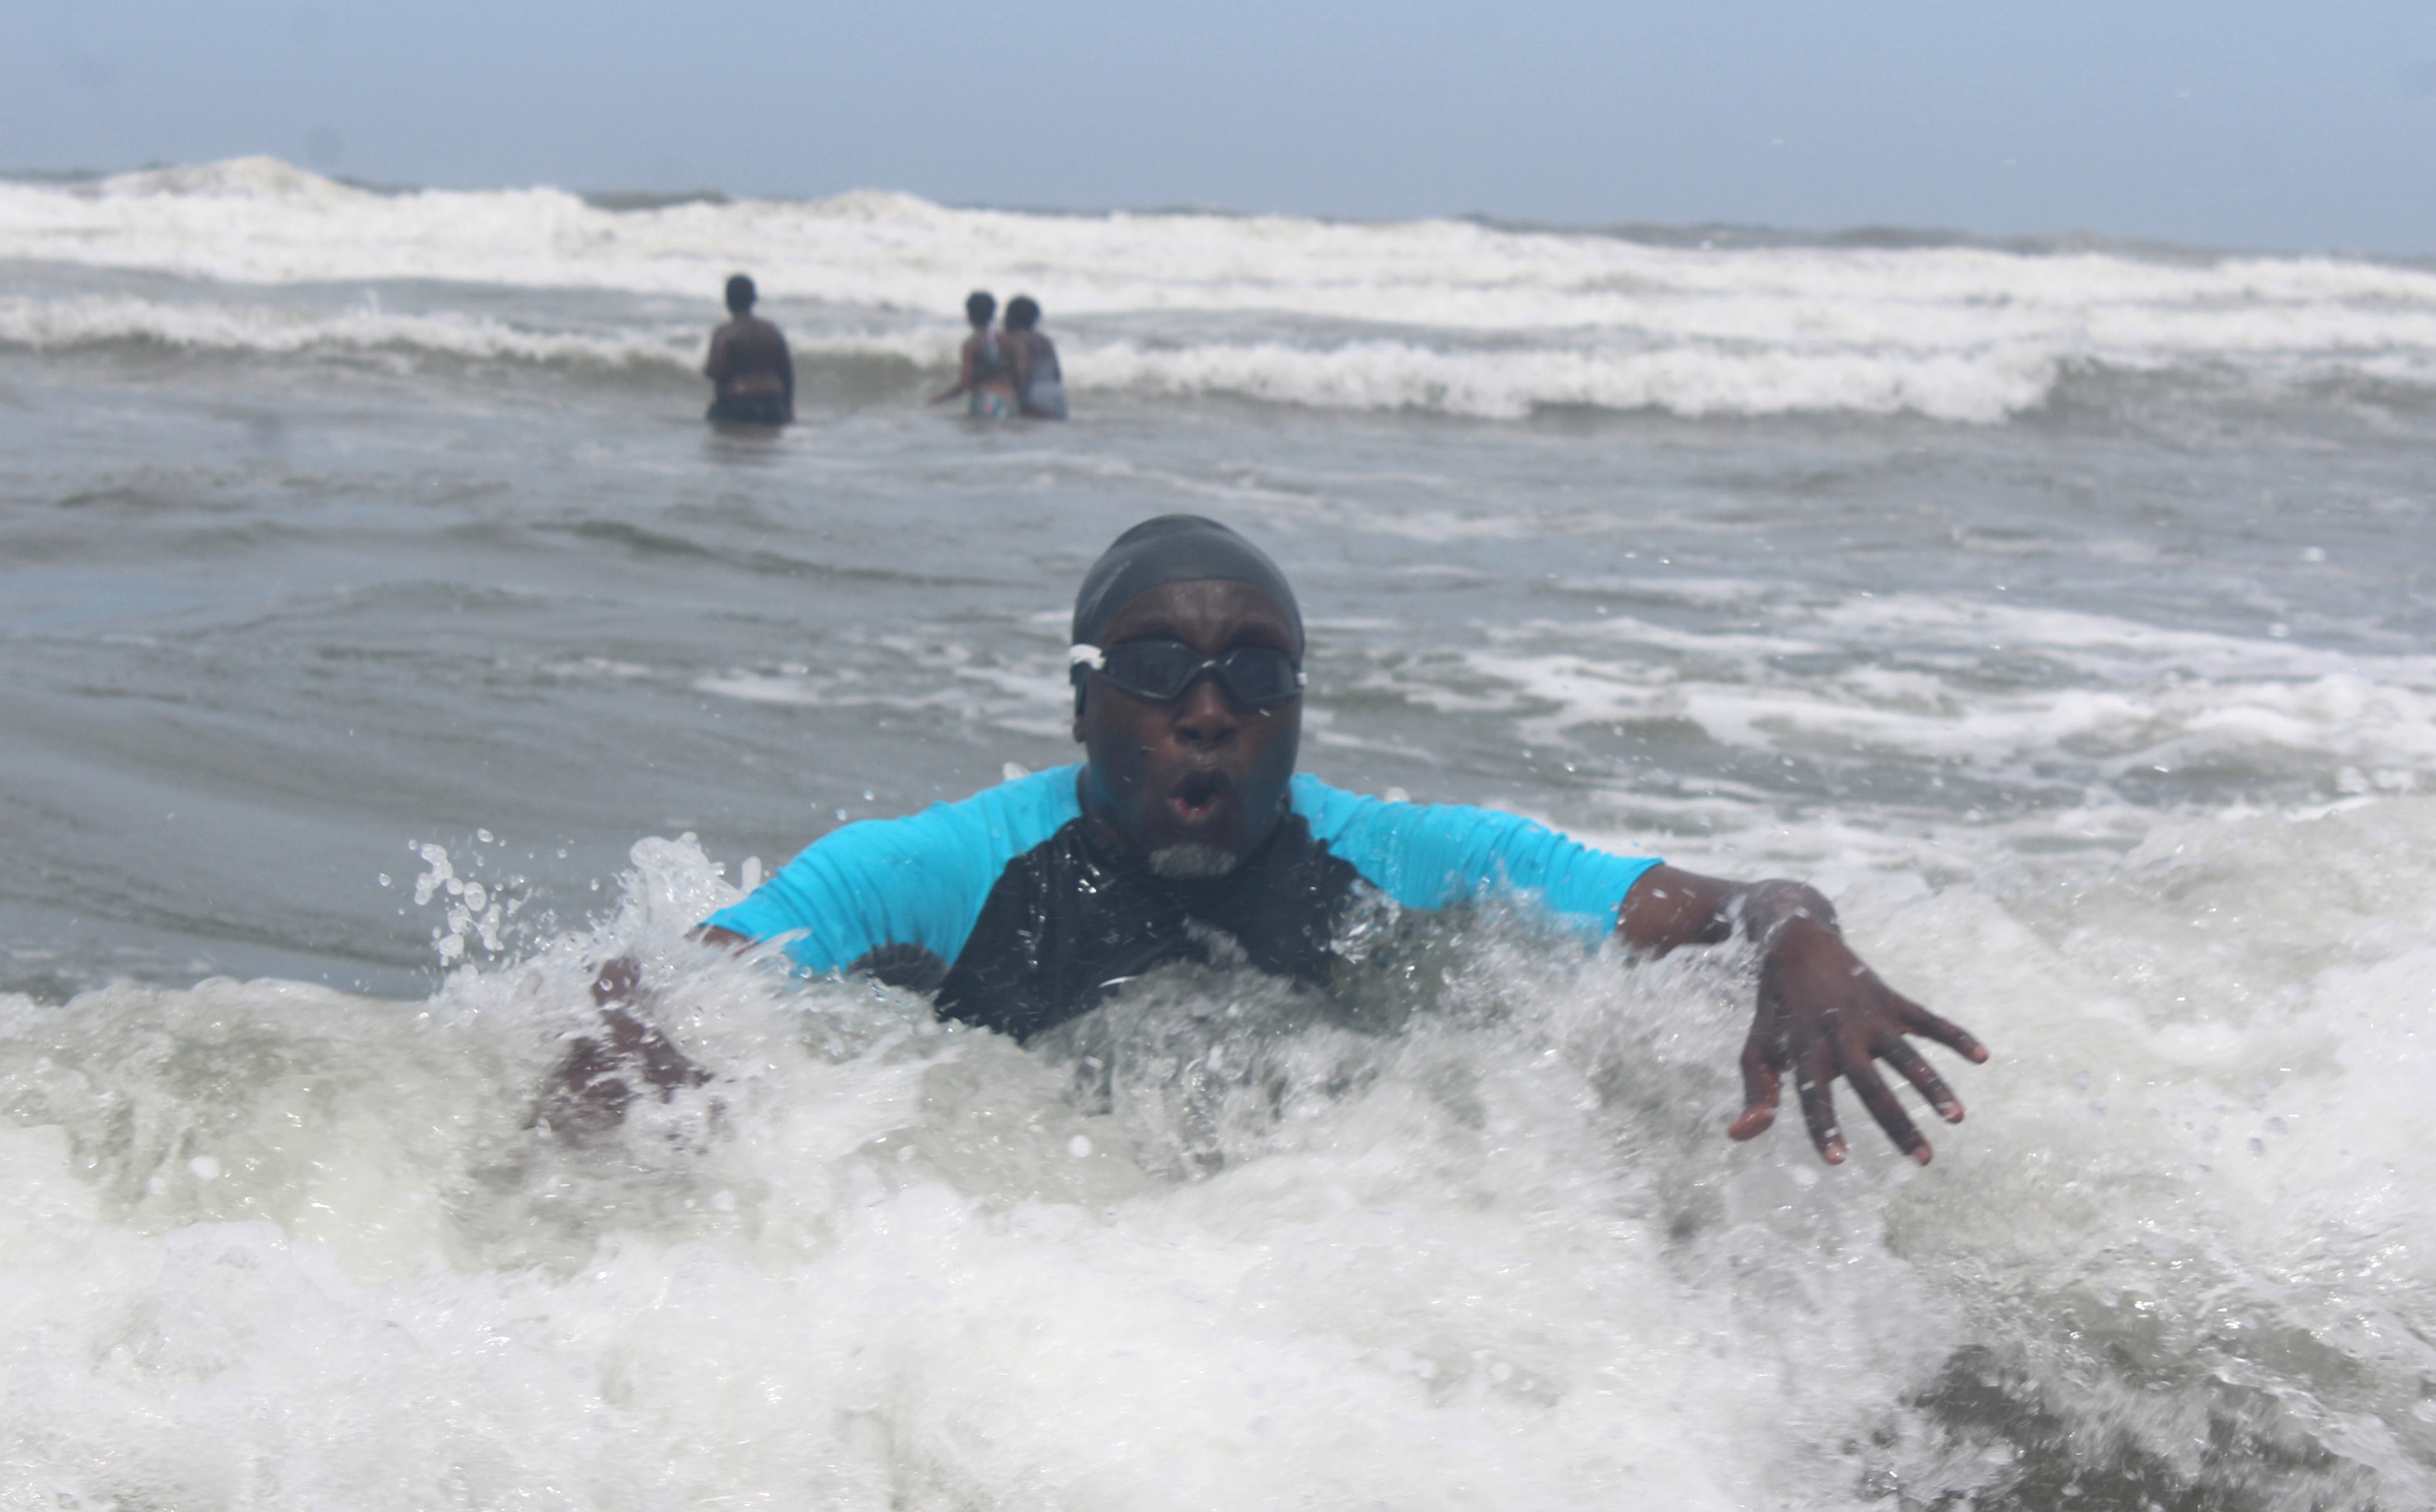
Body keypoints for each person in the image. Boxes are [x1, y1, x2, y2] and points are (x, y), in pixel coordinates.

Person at [548, 516, 1989, 1164]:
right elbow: (677, 973)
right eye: (1157, 668)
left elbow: (1701, 901)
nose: (1209, 708)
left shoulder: (1399, 854)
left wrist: (1797, 933)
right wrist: (644, 1042)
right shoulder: (936, 870)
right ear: (1080, 701)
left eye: (1256, 672)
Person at [703, 274, 794, 426]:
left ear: (727, 300)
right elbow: (787, 374)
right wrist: (788, 410)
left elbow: (715, 370)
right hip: (772, 407)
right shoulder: (772, 331)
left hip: (735, 406)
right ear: (754, 299)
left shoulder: (724, 332)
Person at [930, 290, 1019, 419]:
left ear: (969, 315)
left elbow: (966, 382)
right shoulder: (1008, 340)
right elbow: (1019, 374)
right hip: (1010, 400)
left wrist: (940, 398)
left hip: (985, 400)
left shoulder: (972, 344)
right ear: (993, 314)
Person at [1004, 294, 1067, 420]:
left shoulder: (1015, 339)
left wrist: (1015, 396)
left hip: (1033, 393)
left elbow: (1022, 371)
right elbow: (1057, 373)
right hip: (1057, 393)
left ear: (1012, 318)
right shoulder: (1045, 340)